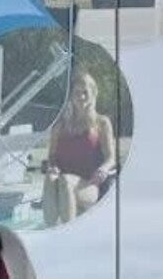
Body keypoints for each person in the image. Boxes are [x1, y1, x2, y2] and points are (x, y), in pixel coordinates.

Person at [43, 70, 119, 225]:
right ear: (71, 95)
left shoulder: (102, 123)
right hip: (60, 183)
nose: (82, 97)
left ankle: (68, 235)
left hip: (89, 185)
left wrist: (103, 169)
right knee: (51, 179)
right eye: (77, 92)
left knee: (65, 180)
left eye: (86, 92)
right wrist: (52, 167)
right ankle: (49, 230)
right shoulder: (60, 125)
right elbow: (51, 157)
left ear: (94, 94)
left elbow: (111, 158)